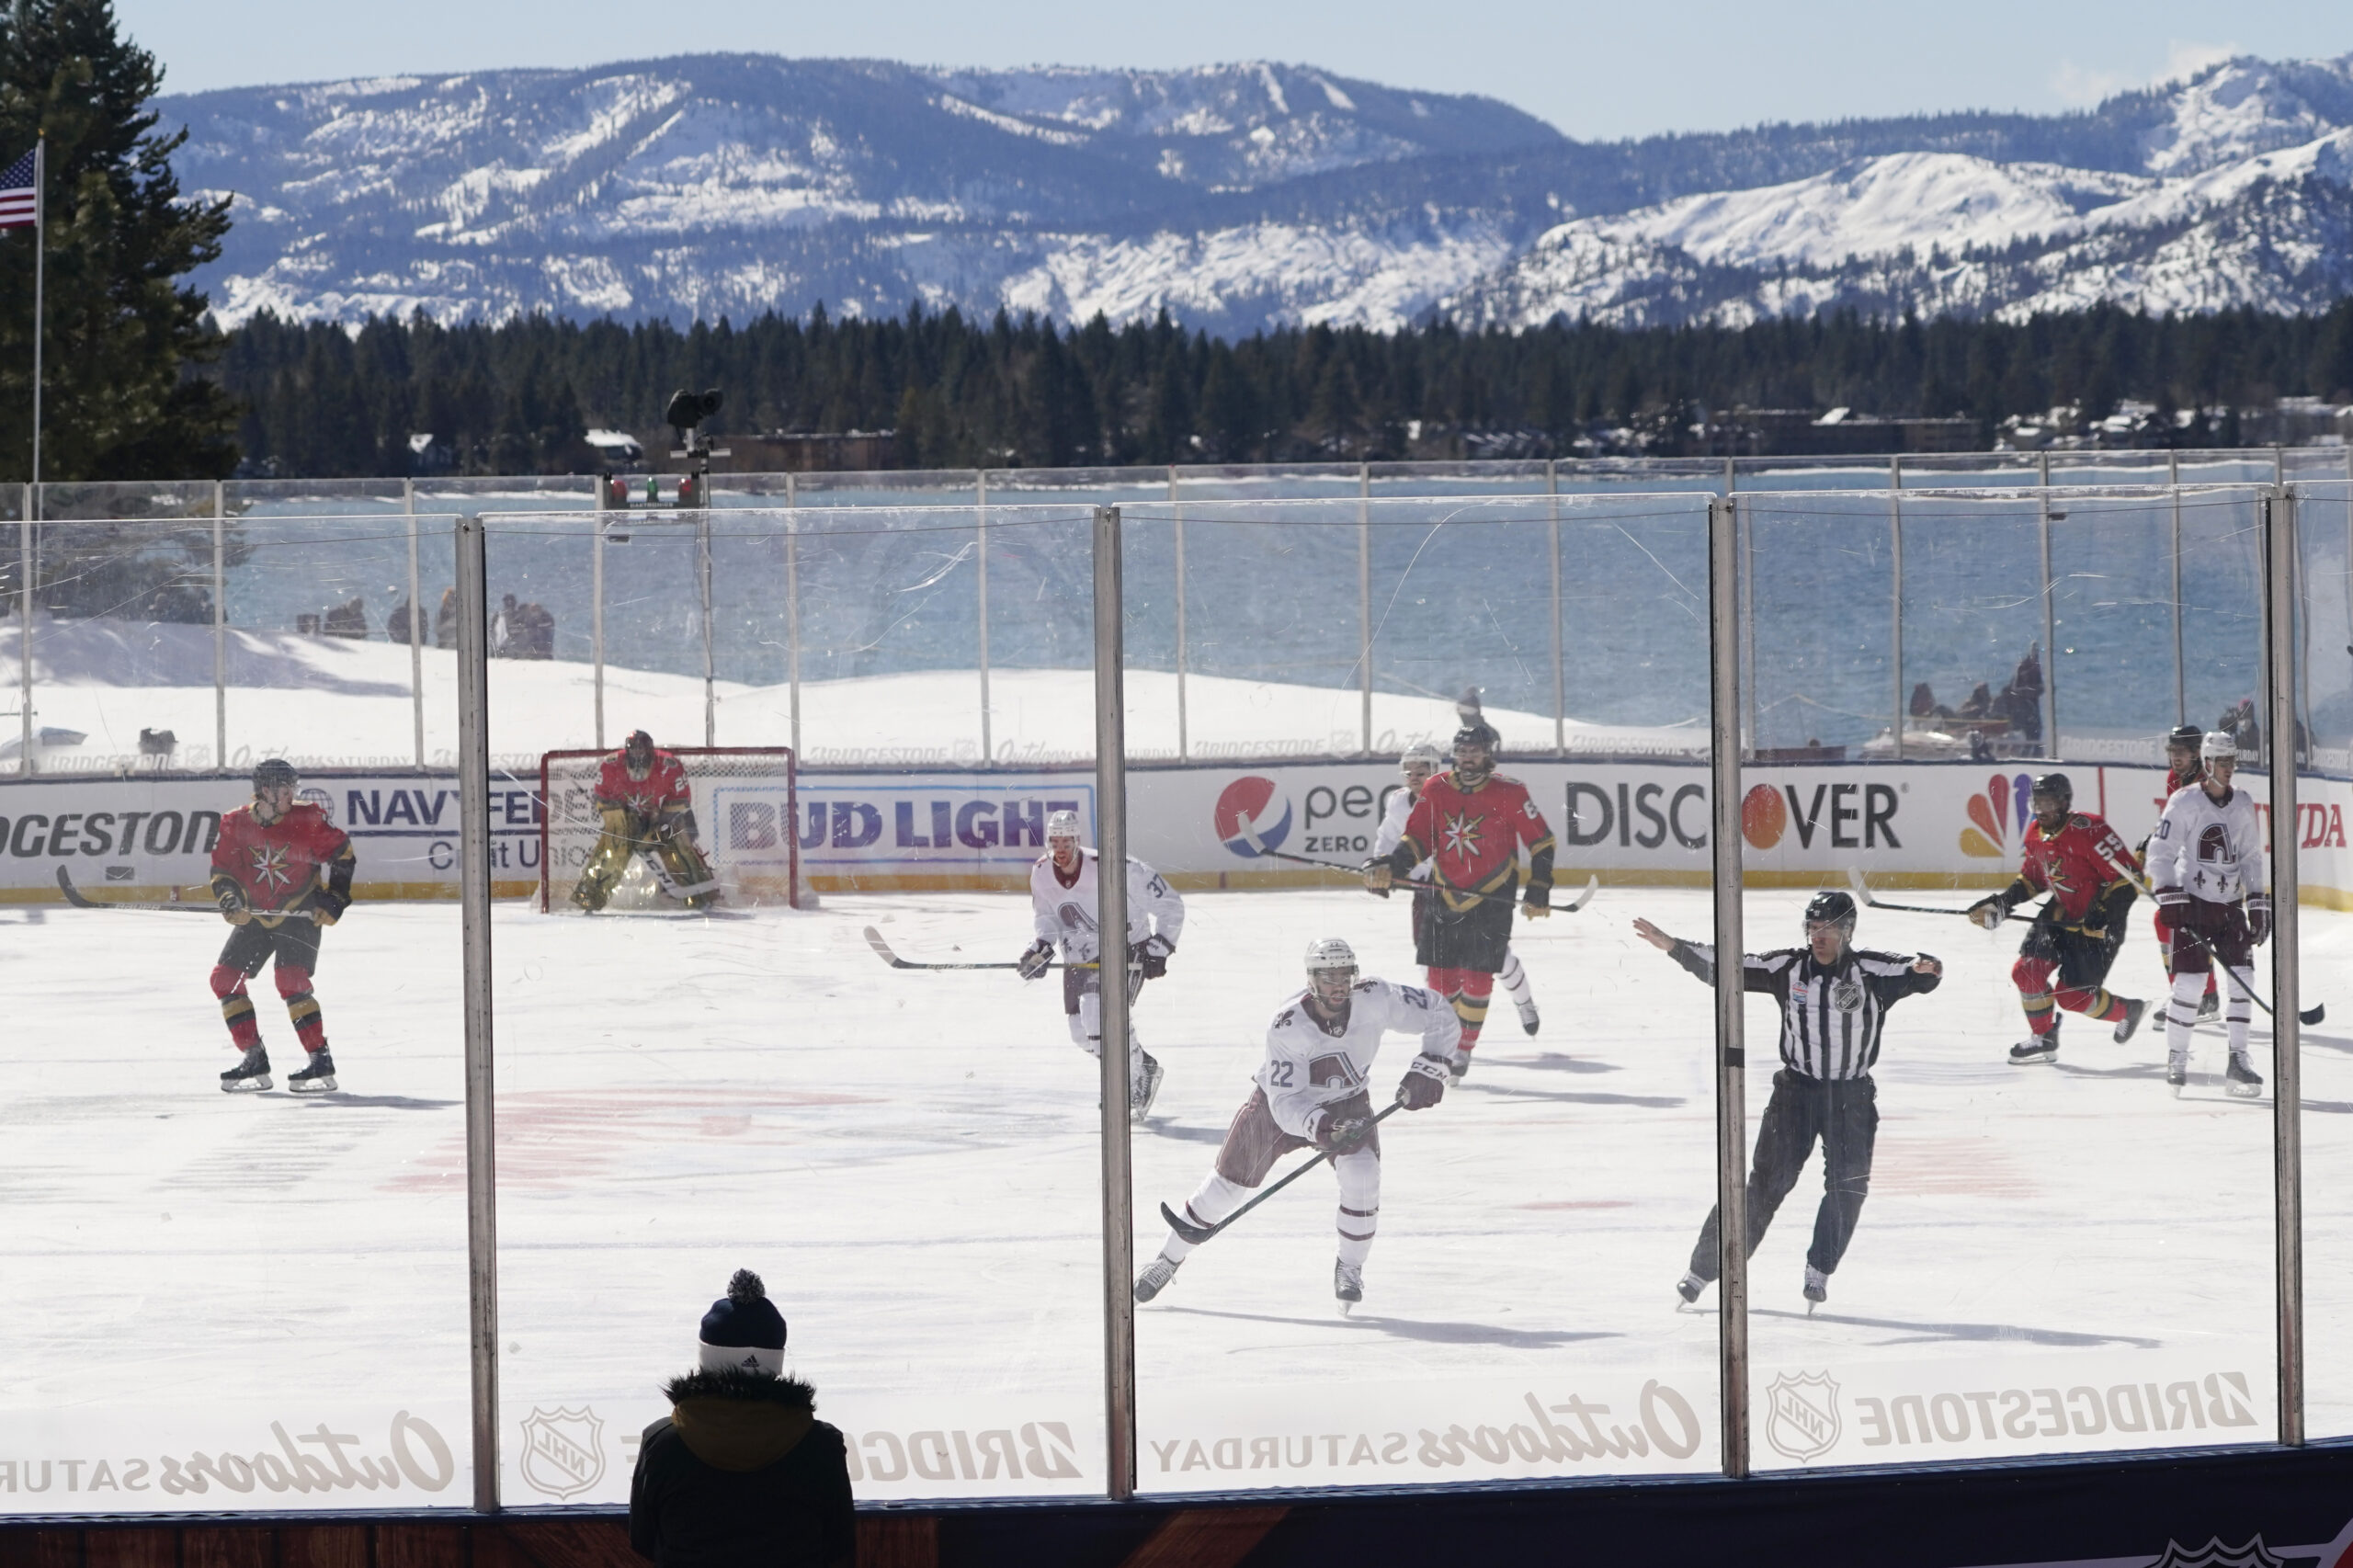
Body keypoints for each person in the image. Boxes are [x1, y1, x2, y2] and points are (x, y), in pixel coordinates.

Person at [1638, 892, 1941, 1309]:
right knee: (1763, 1185)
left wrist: (1929, 968)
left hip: (1851, 1097)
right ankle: (1703, 1269)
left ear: (1847, 931)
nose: (1818, 937)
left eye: (1828, 929)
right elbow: (1729, 966)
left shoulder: (1872, 971)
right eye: (1813, 928)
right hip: (1796, 1094)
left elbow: (1919, 974)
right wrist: (1674, 948)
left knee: (1847, 1187)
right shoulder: (1788, 967)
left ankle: (1819, 1270)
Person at [1132, 937, 1460, 1312]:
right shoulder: (1288, 1025)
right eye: (1327, 977)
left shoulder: (1377, 997)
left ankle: (1350, 1269)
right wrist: (1322, 1128)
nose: (1338, 985)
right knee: (1224, 1190)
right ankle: (1167, 1259)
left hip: (1348, 1101)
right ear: (1311, 980)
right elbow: (1286, 1101)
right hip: (1278, 1107)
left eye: (1344, 975)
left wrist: (1431, 1066)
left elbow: (1439, 1011)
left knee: (1363, 1178)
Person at [1364, 719, 1555, 1078]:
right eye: (1462, 752)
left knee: (1479, 977)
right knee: (1438, 978)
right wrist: (1392, 865)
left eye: (1475, 751)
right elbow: (1417, 839)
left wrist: (1540, 885)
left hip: (1493, 895)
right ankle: (1448, 1041)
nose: (1468, 758)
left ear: (1488, 754)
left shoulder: (1510, 792)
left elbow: (1541, 841)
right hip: (1444, 892)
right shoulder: (1437, 788)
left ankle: (1464, 1048)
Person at [629, 1269, 854, 1568]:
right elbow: (839, 1541)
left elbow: (642, 1538)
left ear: (706, 1358)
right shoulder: (821, 1444)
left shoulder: (662, 1442)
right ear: (776, 1359)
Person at [1966, 773, 2148, 1065]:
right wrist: (2001, 904)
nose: (2041, 810)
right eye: (2037, 803)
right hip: (2060, 913)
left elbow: (2128, 880)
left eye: (2048, 803)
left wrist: (2103, 915)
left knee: (2072, 998)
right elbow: (2033, 879)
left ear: (2064, 803)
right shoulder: (2036, 834)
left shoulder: (2090, 829)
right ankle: (2043, 1038)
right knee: (2026, 971)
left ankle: (2129, 1010)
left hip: (2098, 927)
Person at [1020, 809, 1185, 1120]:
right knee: (1081, 1034)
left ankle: (1129, 1081)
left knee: (1097, 1012)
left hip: (1122, 950)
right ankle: (1140, 1066)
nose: (1060, 849)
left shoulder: (1114, 867)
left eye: (1066, 842)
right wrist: (1040, 947)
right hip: (1077, 958)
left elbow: (1170, 905)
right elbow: (1046, 917)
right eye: (1055, 842)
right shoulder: (1041, 873)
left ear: (1077, 841)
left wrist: (1160, 947)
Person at [210, 758, 355, 1094]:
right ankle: (254, 1057)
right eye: (285, 789)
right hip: (257, 916)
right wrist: (230, 900)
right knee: (225, 980)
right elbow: (223, 872)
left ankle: (320, 1058)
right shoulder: (234, 823)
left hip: (300, 910)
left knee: (290, 979)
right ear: (265, 791)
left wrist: (335, 899)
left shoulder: (307, 818)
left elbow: (344, 855)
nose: (292, 794)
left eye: (293, 788)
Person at [2148, 732, 2268, 1098]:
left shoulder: (2243, 803)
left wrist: (2257, 903)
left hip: (2229, 906)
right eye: (2222, 761)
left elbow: (2250, 856)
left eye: (2232, 761)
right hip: (2193, 904)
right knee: (2189, 984)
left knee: (2242, 980)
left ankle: (2238, 1059)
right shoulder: (2184, 802)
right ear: (2208, 763)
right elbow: (2161, 850)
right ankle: (2177, 1058)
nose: (2229, 768)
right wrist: (2168, 892)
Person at [573, 731, 720, 912]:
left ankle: (702, 895)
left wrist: (660, 818)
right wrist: (623, 819)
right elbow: (602, 802)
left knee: (677, 842)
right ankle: (590, 897)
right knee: (615, 838)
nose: (638, 756)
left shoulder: (669, 767)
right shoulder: (611, 766)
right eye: (634, 751)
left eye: (642, 751)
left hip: (660, 824)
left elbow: (680, 803)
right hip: (627, 826)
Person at [2143, 724, 2220, 1023]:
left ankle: (2200, 996)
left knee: (2180, 922)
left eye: (2182, 752)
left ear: (2196, 754)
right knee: (2167, 921)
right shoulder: (2174, 779)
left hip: (2212, 866)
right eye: (2173, 751)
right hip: (2187, 862)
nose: (2176, 757)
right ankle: (2195, 995)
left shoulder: (2209, 784)